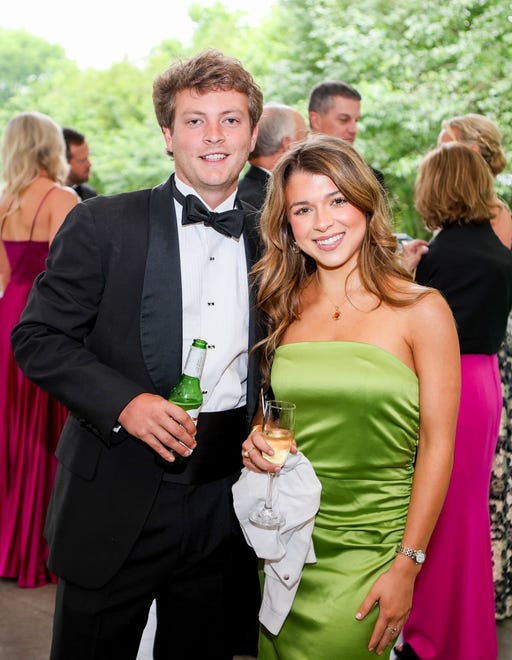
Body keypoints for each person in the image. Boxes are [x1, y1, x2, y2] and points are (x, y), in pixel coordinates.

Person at [11, 50, 264, 659]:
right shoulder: (102, 224)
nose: (213, 135)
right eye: (195, 119)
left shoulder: (273, 237)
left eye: (230, 120)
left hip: (224, 498)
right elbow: (37, 339)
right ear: (167, 135)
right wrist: (126, 402)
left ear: (253, 135)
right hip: (115, 488)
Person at [238, 134, 460, 659]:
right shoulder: (281, 304)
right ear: (287, 225)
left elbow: (439, 445)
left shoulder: (421, 310)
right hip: (284, 543)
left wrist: (408, 563)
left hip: (372, 546)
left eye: (337, 200)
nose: (323, 222)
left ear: (365, 202)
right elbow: (277, 412)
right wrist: (255, 440)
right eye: (303, 208)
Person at [398, 142, 512, 660]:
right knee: (465, 516)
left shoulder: (443, 254)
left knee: (438, 512)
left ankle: (431, 637)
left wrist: (406, 271)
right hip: (484, 381)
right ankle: (463, 638)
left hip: (450, 383)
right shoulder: (493, 246)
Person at [437, 113, 512, 620]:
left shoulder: (494, 222)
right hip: (477, 357)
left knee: (478, 493)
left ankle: (478, 601)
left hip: (483, 355)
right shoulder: (460, 226)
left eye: (447, 149)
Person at [0, 111, 78, 588]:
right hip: (44, 320)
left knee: (11, 435)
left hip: (7, 315)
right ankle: (35, 550)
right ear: (52, 147)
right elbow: (72, 279)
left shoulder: (4, 200)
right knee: (43, 436)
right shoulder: (62, 199)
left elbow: (4, 278)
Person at [308, 80, 385, 187]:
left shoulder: (371, 179)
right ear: (316, 120)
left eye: (356, 120)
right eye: (344, 120)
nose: (354, 129)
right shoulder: (288, 174)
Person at [238, 103, 308, 209]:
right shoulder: (272, 200)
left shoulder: (240, 192)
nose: (310, 145)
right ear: (288, 144)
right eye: (305, 137)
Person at [62, 127, 97, 200]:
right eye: (82, 161)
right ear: (63, 163)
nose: (89, 164)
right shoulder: (45, 197)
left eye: (88, 157)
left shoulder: (89, 195)